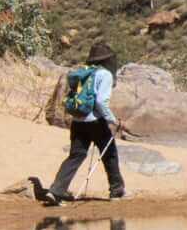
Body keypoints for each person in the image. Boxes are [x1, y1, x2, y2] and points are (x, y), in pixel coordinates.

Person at [30, 44, 125, 204]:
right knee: (109, 154)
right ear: (108, 60)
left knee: (76, 155)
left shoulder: (85, 72)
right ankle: (116, 190)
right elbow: (101, 102)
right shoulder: (105, 75)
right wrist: (112, 120)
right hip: (95, 121)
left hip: (77, 121)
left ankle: (56, 190)